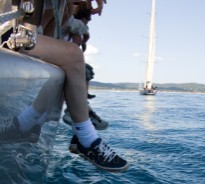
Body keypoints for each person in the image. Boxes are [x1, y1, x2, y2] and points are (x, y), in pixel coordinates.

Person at [0, 0, 128, 172]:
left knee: (67, 67)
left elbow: (50, 26)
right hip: (8, 31)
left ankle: (25, 124)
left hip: (18, 33)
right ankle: (86, 138)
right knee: (74, 56)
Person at [60, 1, 108, 130]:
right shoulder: (71, 24)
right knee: (85, 70)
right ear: (83, 19)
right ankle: (79, 107)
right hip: (59, 62)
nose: (88, 23)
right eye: (88, 20)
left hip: (61, 59)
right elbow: (81, 28)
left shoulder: (70, 27)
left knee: (86, 70)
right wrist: (85, 35)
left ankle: (83, 105)